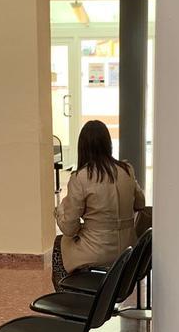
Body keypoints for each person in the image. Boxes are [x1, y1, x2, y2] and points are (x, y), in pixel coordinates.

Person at [52, 120, 146, 290]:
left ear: (83, 147)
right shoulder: (126, 170)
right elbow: (141, 203)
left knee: (60, 244)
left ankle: (67, 296)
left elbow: (69, 229)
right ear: (108, 144)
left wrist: (59, 212)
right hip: (128, 248)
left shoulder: (81, 177)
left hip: (97, 251)